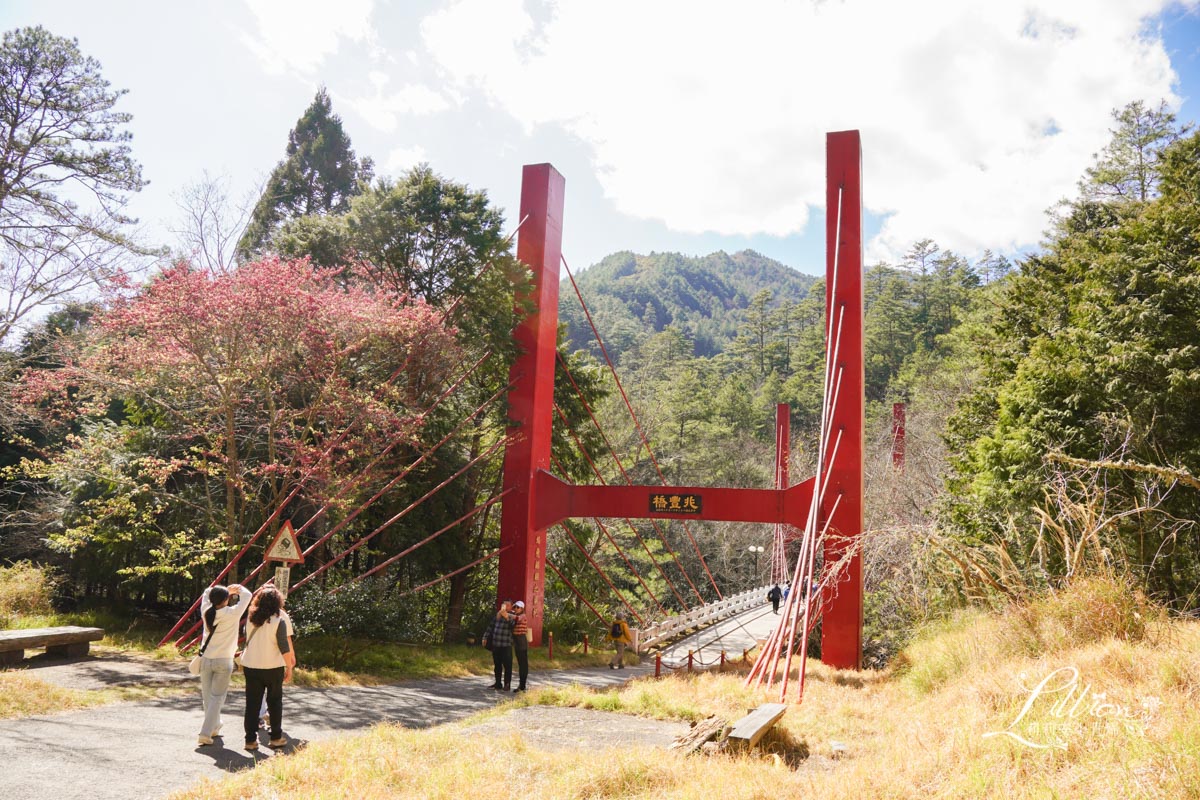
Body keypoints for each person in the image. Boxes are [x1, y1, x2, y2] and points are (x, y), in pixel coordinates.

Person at [240, 586, 296, 751]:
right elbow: (284, 646)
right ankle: (276, 737)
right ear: (277, 602)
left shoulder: (250, 619)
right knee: (275, 702)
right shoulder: (279, 621)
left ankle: (250, 740)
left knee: (252, 704)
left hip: (251, 666)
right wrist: (289, 667)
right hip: (273, 667)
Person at [196, 582, 251, 746]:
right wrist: (235, 589)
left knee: (208, 697)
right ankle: (205, 733)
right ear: (226, 600)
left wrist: (225, 591)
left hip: (206, 659)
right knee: (217, 697)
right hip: (224, 661)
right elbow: (247, 595)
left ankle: (215, 726)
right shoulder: (233, 613)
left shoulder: (206, 611)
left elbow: (206, 592)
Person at [484, 600, 515, 690]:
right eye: (504, 604)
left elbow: (513, 626)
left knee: (507, 666)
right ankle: (498, 683)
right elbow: (490, 626)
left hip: (506, 645)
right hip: (496, 644)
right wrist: (485, 637)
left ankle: (507, 684)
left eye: (507, 605)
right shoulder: (498, 615)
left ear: (511, 607)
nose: (505, 606)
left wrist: (507, 617)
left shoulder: (513, 615)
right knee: (497, 665)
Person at [510, 600, 530, 692]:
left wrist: (507, 614)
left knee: (523, 664)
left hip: (521, 640)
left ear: (522, 608)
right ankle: (521, 685)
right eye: (515, 607)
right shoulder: (515, 615)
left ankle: (522, 685)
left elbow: (517, 618)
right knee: (520, 663)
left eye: (518, 607)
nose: (516, 609)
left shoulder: (523, 616)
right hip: (517, 641)